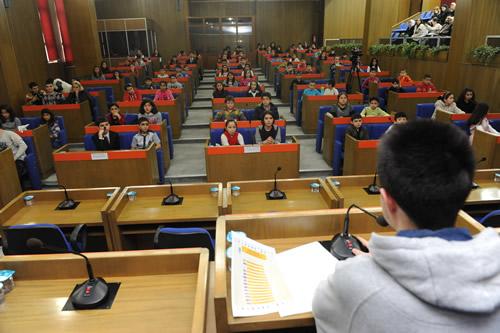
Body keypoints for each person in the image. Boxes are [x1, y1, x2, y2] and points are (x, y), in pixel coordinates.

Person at [313, 119, 500, 333]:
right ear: (464, 191)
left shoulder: (350, 284)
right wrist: (389, 262)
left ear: (387, 201)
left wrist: (369, 269)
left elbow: (323, 312)